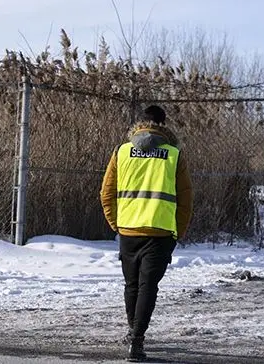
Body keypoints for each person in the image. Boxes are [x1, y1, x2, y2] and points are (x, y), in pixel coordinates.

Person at [100, 105, 193, 362]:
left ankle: (134, 333)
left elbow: (106, 193)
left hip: (128, 230)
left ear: (140, 124)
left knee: (132, 285)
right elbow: (186, 200)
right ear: (163, 126)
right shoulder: (174, 155)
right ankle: (137, 340)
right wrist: (178, 232)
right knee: (148, 286)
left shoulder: (122, 152)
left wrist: (115, 223)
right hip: (160, 232)